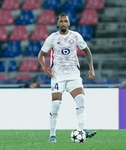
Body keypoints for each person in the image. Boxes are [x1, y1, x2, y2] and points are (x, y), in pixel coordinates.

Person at [38, 13, 96, 143]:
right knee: (56, 105)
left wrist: (91, 68)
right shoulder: (52, 38)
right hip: (58, 76)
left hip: (73, 75)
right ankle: (52, 135)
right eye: (61, 21)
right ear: (58, 23)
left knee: (81, 99)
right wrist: (44, 67)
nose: (63, 23)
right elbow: (41, 55)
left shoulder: (76, 36)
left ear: (69, 23)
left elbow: (87, 51)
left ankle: (82, 130)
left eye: (66, 21)